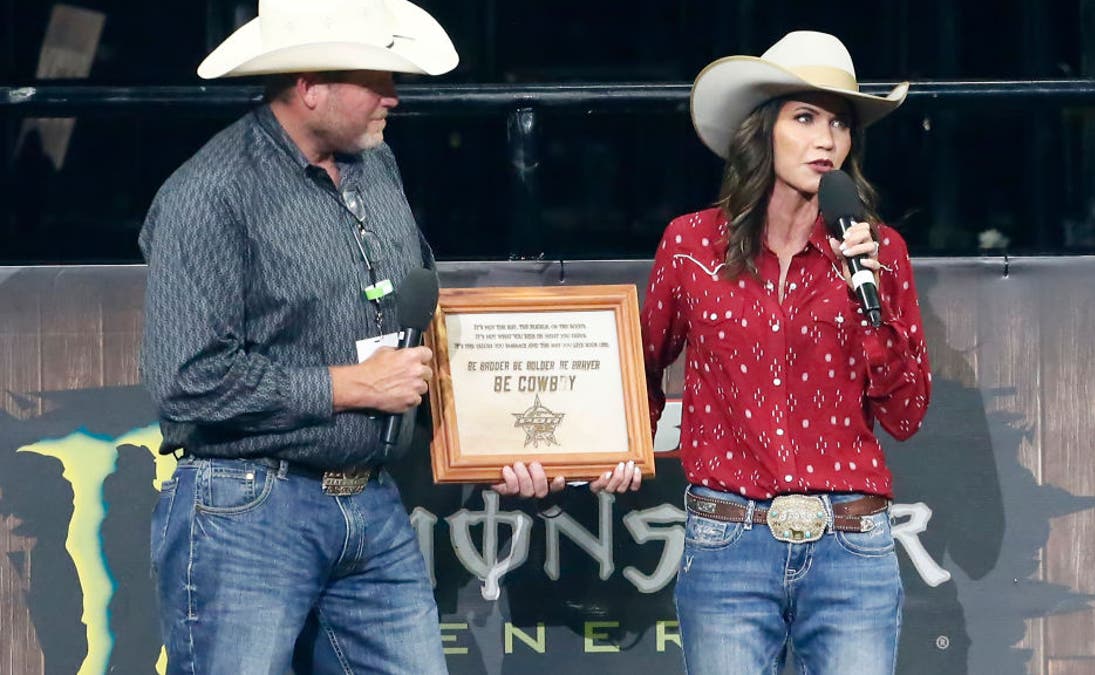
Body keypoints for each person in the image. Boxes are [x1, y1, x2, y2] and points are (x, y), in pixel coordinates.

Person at [139, 1, 637, 672]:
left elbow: (414, 320)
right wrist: (349, 386)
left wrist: (516, 442)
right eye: (376, 79)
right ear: (309, 84)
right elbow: (185, 381)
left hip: (370, 502)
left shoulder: (376, 169)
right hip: (247, 508)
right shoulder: (209, 193)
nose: (394, 98)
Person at [641, 31, 930, 674]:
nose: (826, 141)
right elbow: (642, 367)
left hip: (851, 544)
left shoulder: (880, 253)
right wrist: (611, 450)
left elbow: (907, 413)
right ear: (762, 131)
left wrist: (870, 300)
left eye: (840, 124)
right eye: (805, 118)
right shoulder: (690, 244)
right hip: (728, 540)